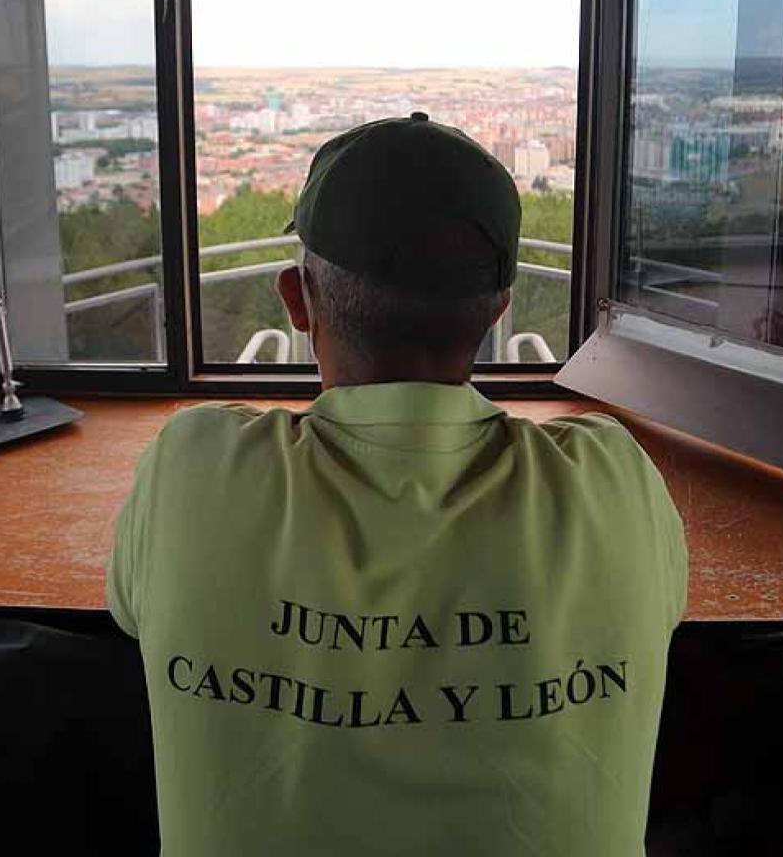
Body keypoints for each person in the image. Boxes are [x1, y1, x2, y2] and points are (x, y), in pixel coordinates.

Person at [106, 113, 688, 856]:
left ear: (296, 300)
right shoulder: (617, 483)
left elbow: (129, 614)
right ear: (498, 310)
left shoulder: (190, 468)